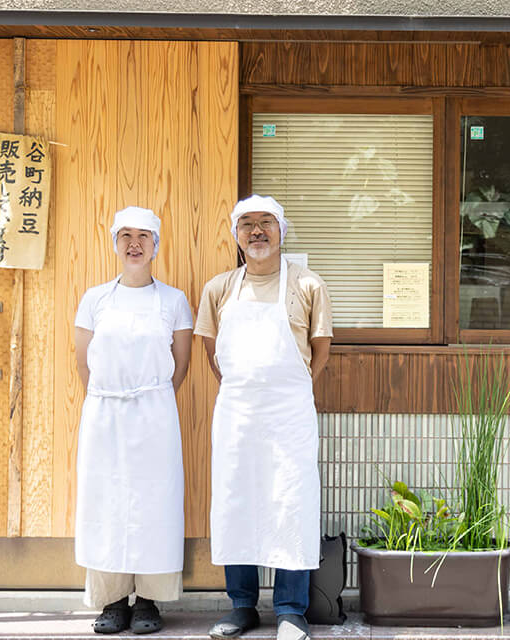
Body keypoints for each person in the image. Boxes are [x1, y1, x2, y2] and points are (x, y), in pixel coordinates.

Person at [195, 195, 332, 640]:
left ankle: (292, 610)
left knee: (290, 501)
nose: (257, 231)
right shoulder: (218, 288)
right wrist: (246, 384)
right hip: (237, 411)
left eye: (266, 223)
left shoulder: (308, 284)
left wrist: (284, 385)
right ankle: (242, 606)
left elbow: (320, 350)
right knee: (237, 500)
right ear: (235, 235)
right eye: (247, 224)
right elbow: (211, 352)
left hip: (290, 410)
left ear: (281, 230)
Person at [73, 206, 194, 635]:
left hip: (154, 414)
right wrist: (113, 395)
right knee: (105, 500)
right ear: (115, 244)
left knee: (153, 501)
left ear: (156, 245)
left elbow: (180, 366)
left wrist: (149, 397)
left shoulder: (173, 300)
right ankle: (110, 601)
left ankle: (147, 601)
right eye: (125, 235)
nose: (134, 243)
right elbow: (84, 363)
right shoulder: (95, 299)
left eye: (144, 235)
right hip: (104, 413)